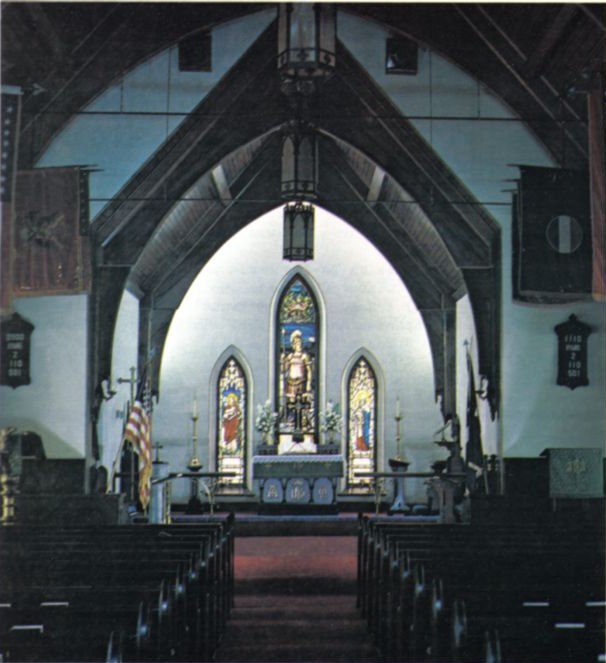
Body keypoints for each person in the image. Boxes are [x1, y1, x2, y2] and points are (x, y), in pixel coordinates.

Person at [281, 330, 313, 432]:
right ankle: (291, 422)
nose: (298, 345)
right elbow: (284, 369)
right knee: (291, 404)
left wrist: (308, 384)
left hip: (301, 383)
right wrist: (283, 361)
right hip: (291, 383)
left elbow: (309, 371)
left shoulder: (304, 356)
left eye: (299, 343)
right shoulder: (289, 356)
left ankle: (303, 423)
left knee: (301, 404)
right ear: (293, 345)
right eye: (296, 343)